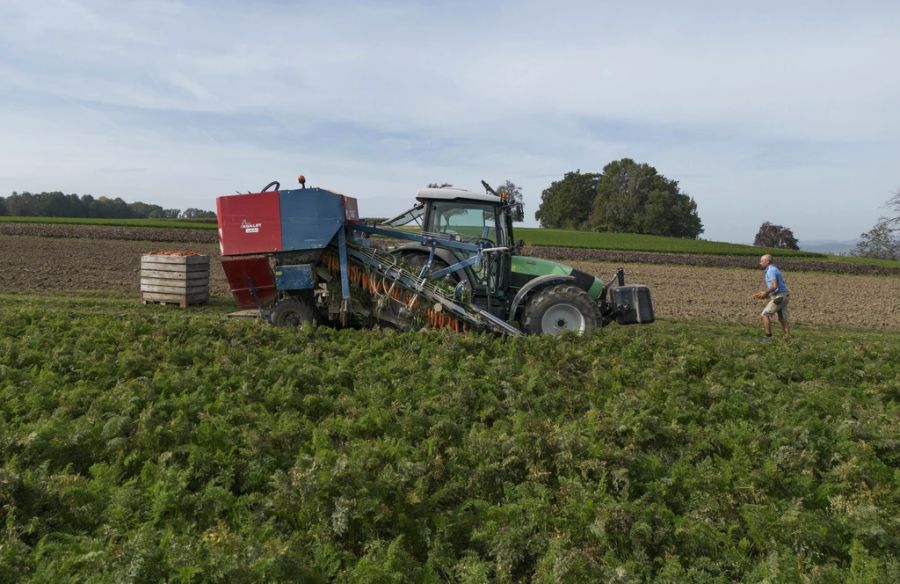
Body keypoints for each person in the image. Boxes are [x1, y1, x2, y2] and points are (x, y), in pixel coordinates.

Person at [753, 254, 790, 338]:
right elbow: (776, 287)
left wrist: (765, 293)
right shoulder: (774, 269)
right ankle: (787, 338)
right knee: (782, 318)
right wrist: (765, 293)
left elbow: (774, 286)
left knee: (765, 314)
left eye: (762, 261)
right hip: (784, 295)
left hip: (780, 296)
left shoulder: (771, 270)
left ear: (767, 261)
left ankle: (767, 337)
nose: (760, 263)